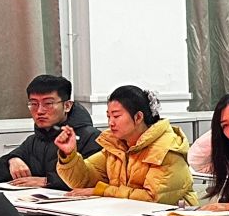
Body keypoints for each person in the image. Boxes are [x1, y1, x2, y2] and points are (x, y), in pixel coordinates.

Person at [56, 85, 194, 203]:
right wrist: (69, 155)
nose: (111, 122)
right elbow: (83, 182)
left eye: (116, 116)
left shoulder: (166, 148)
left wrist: (103, 191)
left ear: (138, 117)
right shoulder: (116, 146)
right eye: (108, 116)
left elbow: (152, 198)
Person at [0, 74, 101, 188]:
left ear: (67, 106)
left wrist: (48, 181)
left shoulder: (91, 137)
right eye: (34, 104)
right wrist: (12, 160)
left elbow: (96, 178)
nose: (39, 111)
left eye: (48, 104)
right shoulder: (34, 140)